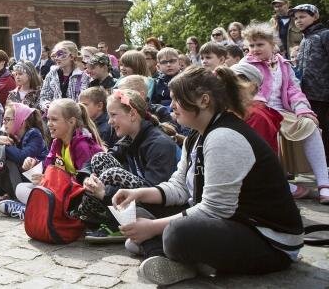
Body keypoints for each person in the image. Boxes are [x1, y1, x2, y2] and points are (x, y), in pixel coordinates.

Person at [114, 66, 303, 286]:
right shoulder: (195, 137)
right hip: (230, 221)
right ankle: (170, 255)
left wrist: (153, 227)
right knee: (140, 210)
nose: (171, 106)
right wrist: (138, 194)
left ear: (204, 101)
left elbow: (215, 208)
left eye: (177, 99)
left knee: (177, 233)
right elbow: (179, 187)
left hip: (269, 241)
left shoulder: (224, 137)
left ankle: (166, 251)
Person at [241, 22, 329, 203]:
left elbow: (293, 89)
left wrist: (302, 109)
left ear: (272, 44)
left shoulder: (283, 63)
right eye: (251, 45)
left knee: (309, 124)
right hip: (259, 112)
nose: (255, 49)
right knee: (266, 129)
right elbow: (245, 92)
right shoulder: (245, 65)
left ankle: (324, 183)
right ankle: (281, 184)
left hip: (283, 112)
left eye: (260, 44)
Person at [80, 89, 178, 242]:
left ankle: (114, 223)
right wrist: (87, 177)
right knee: (100, 158)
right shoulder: (129, 138)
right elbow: (100, 159)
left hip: (160, 210)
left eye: (113, 115)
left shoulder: (159, 143)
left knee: (113, 174)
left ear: (132, 114)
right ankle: (102, 217)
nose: (109, 122)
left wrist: (105, 193)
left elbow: (157, 191)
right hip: (139, 200)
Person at [0, 98, 104, 219]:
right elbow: (47, 168)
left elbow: (83, 182)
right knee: (21, 188)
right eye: (48, 119)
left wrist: (50, 181)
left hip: (78, 197)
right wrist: (34, 164)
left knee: (45, 196)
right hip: (62, 191)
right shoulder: (57, 142)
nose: (49, 124)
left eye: (54, 119)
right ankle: (37, 211)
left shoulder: (82, 146)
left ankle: (29, 212)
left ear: (71, 121)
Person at [0, 102, 49, 199]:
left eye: (7, 119)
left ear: (21, 121)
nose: (4, 123)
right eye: (3, 119)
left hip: (38, 181)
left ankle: (16, 198)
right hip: (25, 181)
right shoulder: (14, 136)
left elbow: (22, 157)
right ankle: (10, 194)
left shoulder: (34, 134)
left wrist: (3, 145)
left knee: (7, 161)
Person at [291, 3, 329, 161]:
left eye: (303, 16)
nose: (298, 20)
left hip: (324, 95)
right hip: (308, 95)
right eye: (296, 18)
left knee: (325, 130)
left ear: (315, 17)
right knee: (317, 130)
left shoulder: (325, 35)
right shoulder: (304, 39)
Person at [230, 62, 283, 154]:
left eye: (234, 83)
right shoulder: (238, 110)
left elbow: (250, 153)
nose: (227, 87)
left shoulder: (255, 115)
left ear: (251, 87)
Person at [39, 41, 90, 115]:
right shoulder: (51, 74)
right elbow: (44, 96)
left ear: (71, 57)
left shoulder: (82, 76)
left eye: (60, 54)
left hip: (74, 117)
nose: (56, 58)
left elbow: (83, 101)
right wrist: (47, 105)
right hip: (55, 116)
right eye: (55, 55)